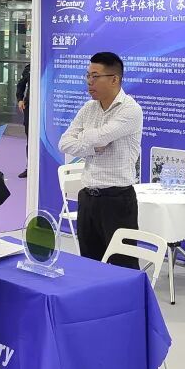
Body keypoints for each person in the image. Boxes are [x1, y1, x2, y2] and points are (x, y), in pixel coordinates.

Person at [58, 52, 143, 269]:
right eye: (88, 75)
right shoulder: (89, 108)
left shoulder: (130, 110)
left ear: (114, 79)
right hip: (88, 197)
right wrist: (94, 147)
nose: (89, 82)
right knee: (89, 265)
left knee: (122, 266)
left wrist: (87, 138)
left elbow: (101, 137)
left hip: (117, 200)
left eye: (95, 76)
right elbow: (65, 143)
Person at [15, 63, 30, 179]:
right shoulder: (29, 68)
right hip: (30, 107)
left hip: (48, 108)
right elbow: (21, 84)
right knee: (30, 138)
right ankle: (29, 167)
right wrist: (20, 99)